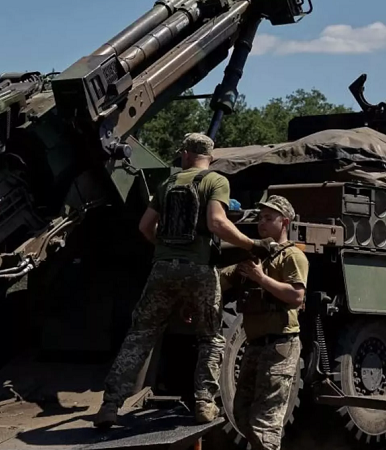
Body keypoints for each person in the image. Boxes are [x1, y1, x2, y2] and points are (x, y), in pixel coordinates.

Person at [93, 133, 274, 428]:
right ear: (210, 157)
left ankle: (110, 405)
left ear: (186, 154)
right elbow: (217, 222)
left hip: (163, 269)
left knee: (141, 334)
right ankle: (204, 403)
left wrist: (165, 249)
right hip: (200, 269)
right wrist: (251, 245)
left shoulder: (167, 183)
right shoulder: (216, 181)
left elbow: (145, 227)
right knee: (210, 337)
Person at [220, 195, 309, 450]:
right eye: (260, 218)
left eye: (269, 218)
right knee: (242, 413)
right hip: (255, 345)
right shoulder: (256, 257)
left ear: (285, 222)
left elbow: (296, 296)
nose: (262, 223)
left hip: (280, 345)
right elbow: (222, 280)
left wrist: (261, 279)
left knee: (265, 426)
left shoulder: (292, 256)